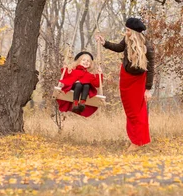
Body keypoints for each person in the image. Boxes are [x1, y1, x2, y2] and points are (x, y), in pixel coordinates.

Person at [95, 17, 154, 151]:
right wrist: (105, 43)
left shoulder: (147, 47)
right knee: (129, 110)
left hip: (139, 81)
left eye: (127, 30)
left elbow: (151, 69)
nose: (125, 32)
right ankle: (139, 140)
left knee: (137, 111)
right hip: (126, 78)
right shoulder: (127, 41)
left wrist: (148, 89)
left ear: (134, 31)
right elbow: (118, 48)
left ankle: (138, 141)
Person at [56, 51, 103, 116]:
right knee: (79, 84)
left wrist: (99, 74)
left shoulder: (90, 75)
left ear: (90, 64)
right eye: (83, 60)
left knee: (87, 85)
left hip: (85, 90)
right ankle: (75, 103)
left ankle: (82, 103)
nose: (86, 62)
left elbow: (97, 84)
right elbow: (65, 76)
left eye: (88, 61)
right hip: (74, 87)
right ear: (78, 61)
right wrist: (65, 68)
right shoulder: (73, 71)